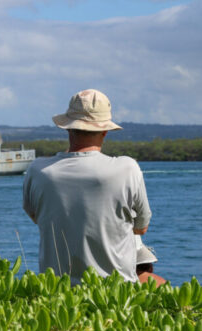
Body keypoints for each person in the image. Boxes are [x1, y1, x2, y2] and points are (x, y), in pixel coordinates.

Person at [22, 89, 151, 284]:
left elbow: (36, 217)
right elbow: (141, 228)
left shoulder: (38, 171)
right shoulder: (127, 168)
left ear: (67, 128)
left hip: (57, 294)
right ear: (105, 131)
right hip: (116, 296)